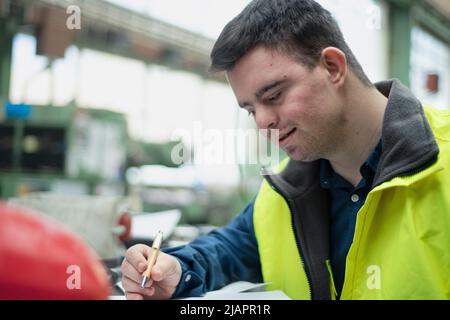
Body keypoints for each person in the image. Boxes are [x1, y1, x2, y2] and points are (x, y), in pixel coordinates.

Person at [121, 0, 450, 300]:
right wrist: (175, 269)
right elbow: (226, 250)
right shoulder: (282, 196)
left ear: (333, 67)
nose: (262, 124)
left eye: (274, 95)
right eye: (251, 109)